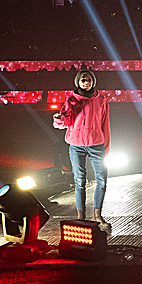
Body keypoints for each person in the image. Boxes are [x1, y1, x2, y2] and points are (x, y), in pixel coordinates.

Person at [52, 69, 112, 233]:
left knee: (102, 180)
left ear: (93, 81)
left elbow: (105, 124)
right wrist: (58, 119)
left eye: (89, 79)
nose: (86, 82)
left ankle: (97, 215)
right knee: (80, 180)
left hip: (97, 144)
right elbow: (64, 122)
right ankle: (81, 216)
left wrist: (106, 146)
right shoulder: (71, 100)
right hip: (76, 145)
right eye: (83, 79)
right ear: (78, 82)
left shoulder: (101, 100)